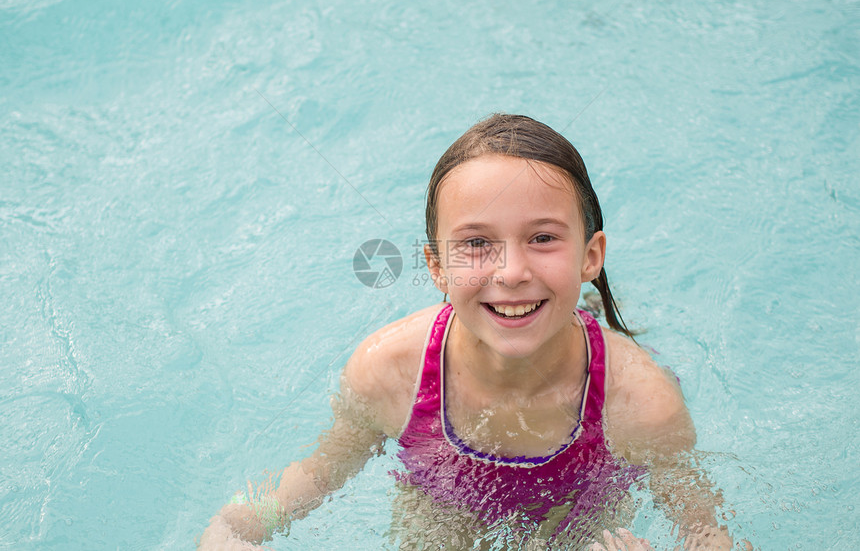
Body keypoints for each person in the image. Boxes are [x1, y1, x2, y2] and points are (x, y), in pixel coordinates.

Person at [198, 114, 738, 550]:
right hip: (444, 517)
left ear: (590, 255)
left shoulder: (639, 403)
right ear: (436, 266)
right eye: (476, 243)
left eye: (543, 238)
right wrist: (234, 529)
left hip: (578, 528)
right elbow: (317, 475)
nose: (511, 271)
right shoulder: (392, 373)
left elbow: (705, 531)